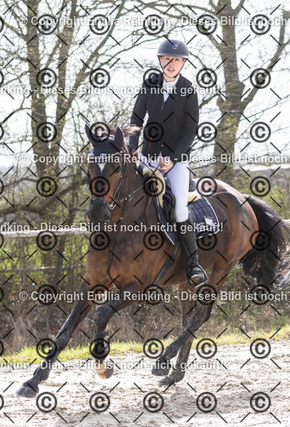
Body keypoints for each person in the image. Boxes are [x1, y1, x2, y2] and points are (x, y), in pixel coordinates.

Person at [128, 39, 208, 288]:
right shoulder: (149, 85)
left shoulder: (189, 90)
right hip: (147, 157)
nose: (171, 64)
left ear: (183, 63)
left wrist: (172, 159)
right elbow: (137, 118)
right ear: (160, 60)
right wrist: (131, 146)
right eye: (167, 59)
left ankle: (193, 265)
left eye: (177, 60)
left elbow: (191, 130)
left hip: (176, 162)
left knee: (180, 210)